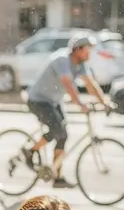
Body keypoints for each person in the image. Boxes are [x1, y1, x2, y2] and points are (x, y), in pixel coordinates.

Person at [24, 33, 112, 187]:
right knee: (57, 130)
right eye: (87, 50)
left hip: (53, 101)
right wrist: (80, 104)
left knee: (63, 136)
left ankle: (57, 178)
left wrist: (104, 102)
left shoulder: (80, 64)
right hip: (39, 100)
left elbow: (90, 84)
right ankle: (30, 150)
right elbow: (67, 84)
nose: (89, 53)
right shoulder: (62, 60)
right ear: (77, 49)